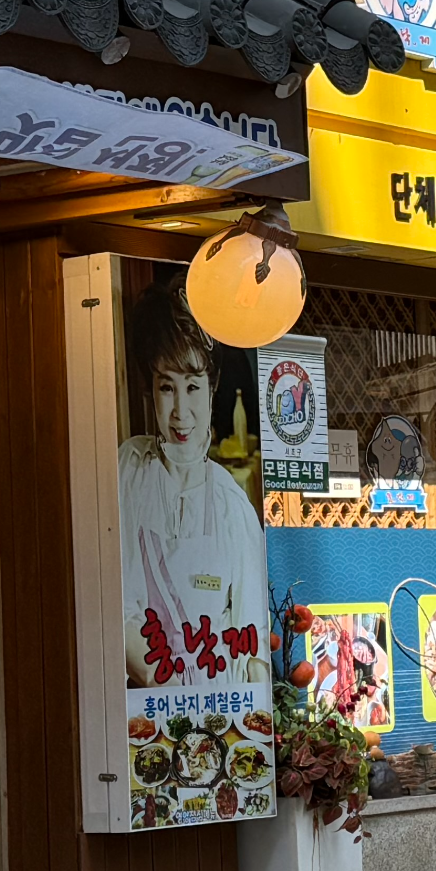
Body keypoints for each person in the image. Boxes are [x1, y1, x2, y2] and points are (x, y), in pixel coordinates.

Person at [119, 282, 269, 685]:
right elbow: (114, 606)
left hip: (218, 709)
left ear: (211, 388)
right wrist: (163, 687)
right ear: (149, 390)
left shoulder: (232, 506)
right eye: (166, 387)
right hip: (144, 715)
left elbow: (253, 649)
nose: (180, 412)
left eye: (192, 387)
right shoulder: (128, 474)